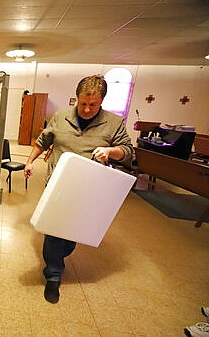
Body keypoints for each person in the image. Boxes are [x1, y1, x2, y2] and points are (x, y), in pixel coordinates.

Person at [24, 75, 134, 304]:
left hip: (89, 188)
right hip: (57, 184)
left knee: (72, 233)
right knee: (54, 230)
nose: (86, 109)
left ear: (102, 101)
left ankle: (59, 255)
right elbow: (43, 141)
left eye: (92, 105)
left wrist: (111, 152)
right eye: (82, 103)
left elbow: (128, 151)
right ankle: (53, 274)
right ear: (77, 98)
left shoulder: (114, 123)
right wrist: (29, 161)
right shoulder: (60, 117)